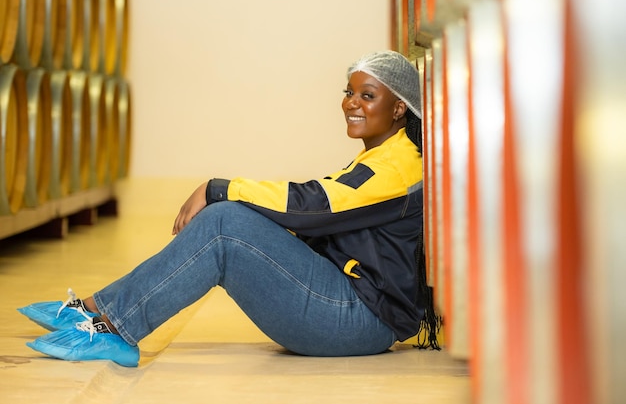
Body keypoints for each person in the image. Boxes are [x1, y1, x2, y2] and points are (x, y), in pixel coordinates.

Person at [18, 50, 437, 367]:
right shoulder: (389, 155)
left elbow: (315, 204)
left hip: (359, 320)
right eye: (348, 92)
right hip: (351, 308)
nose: (351, 103)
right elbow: (322, 206)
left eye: (367, 95)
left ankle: (113, 327)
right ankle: (97, 309)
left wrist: (219, 188)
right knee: (233, 218)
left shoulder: (398, 165)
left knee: (224, 223)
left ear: (399, 109)